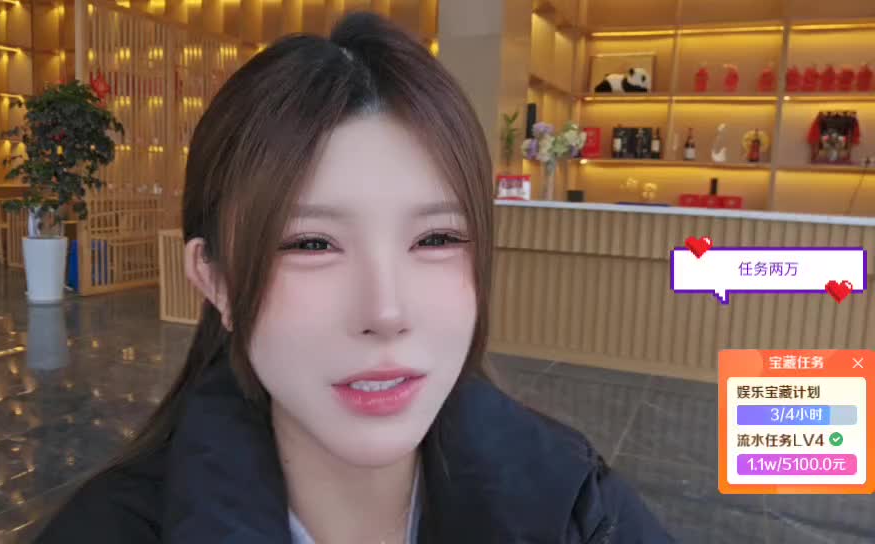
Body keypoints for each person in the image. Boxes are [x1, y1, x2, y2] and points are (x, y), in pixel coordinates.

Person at [37, 12, 673, 544]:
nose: (386, 311)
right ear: (215, 279)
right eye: (312, 244)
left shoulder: (577, 511)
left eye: (436, 239)